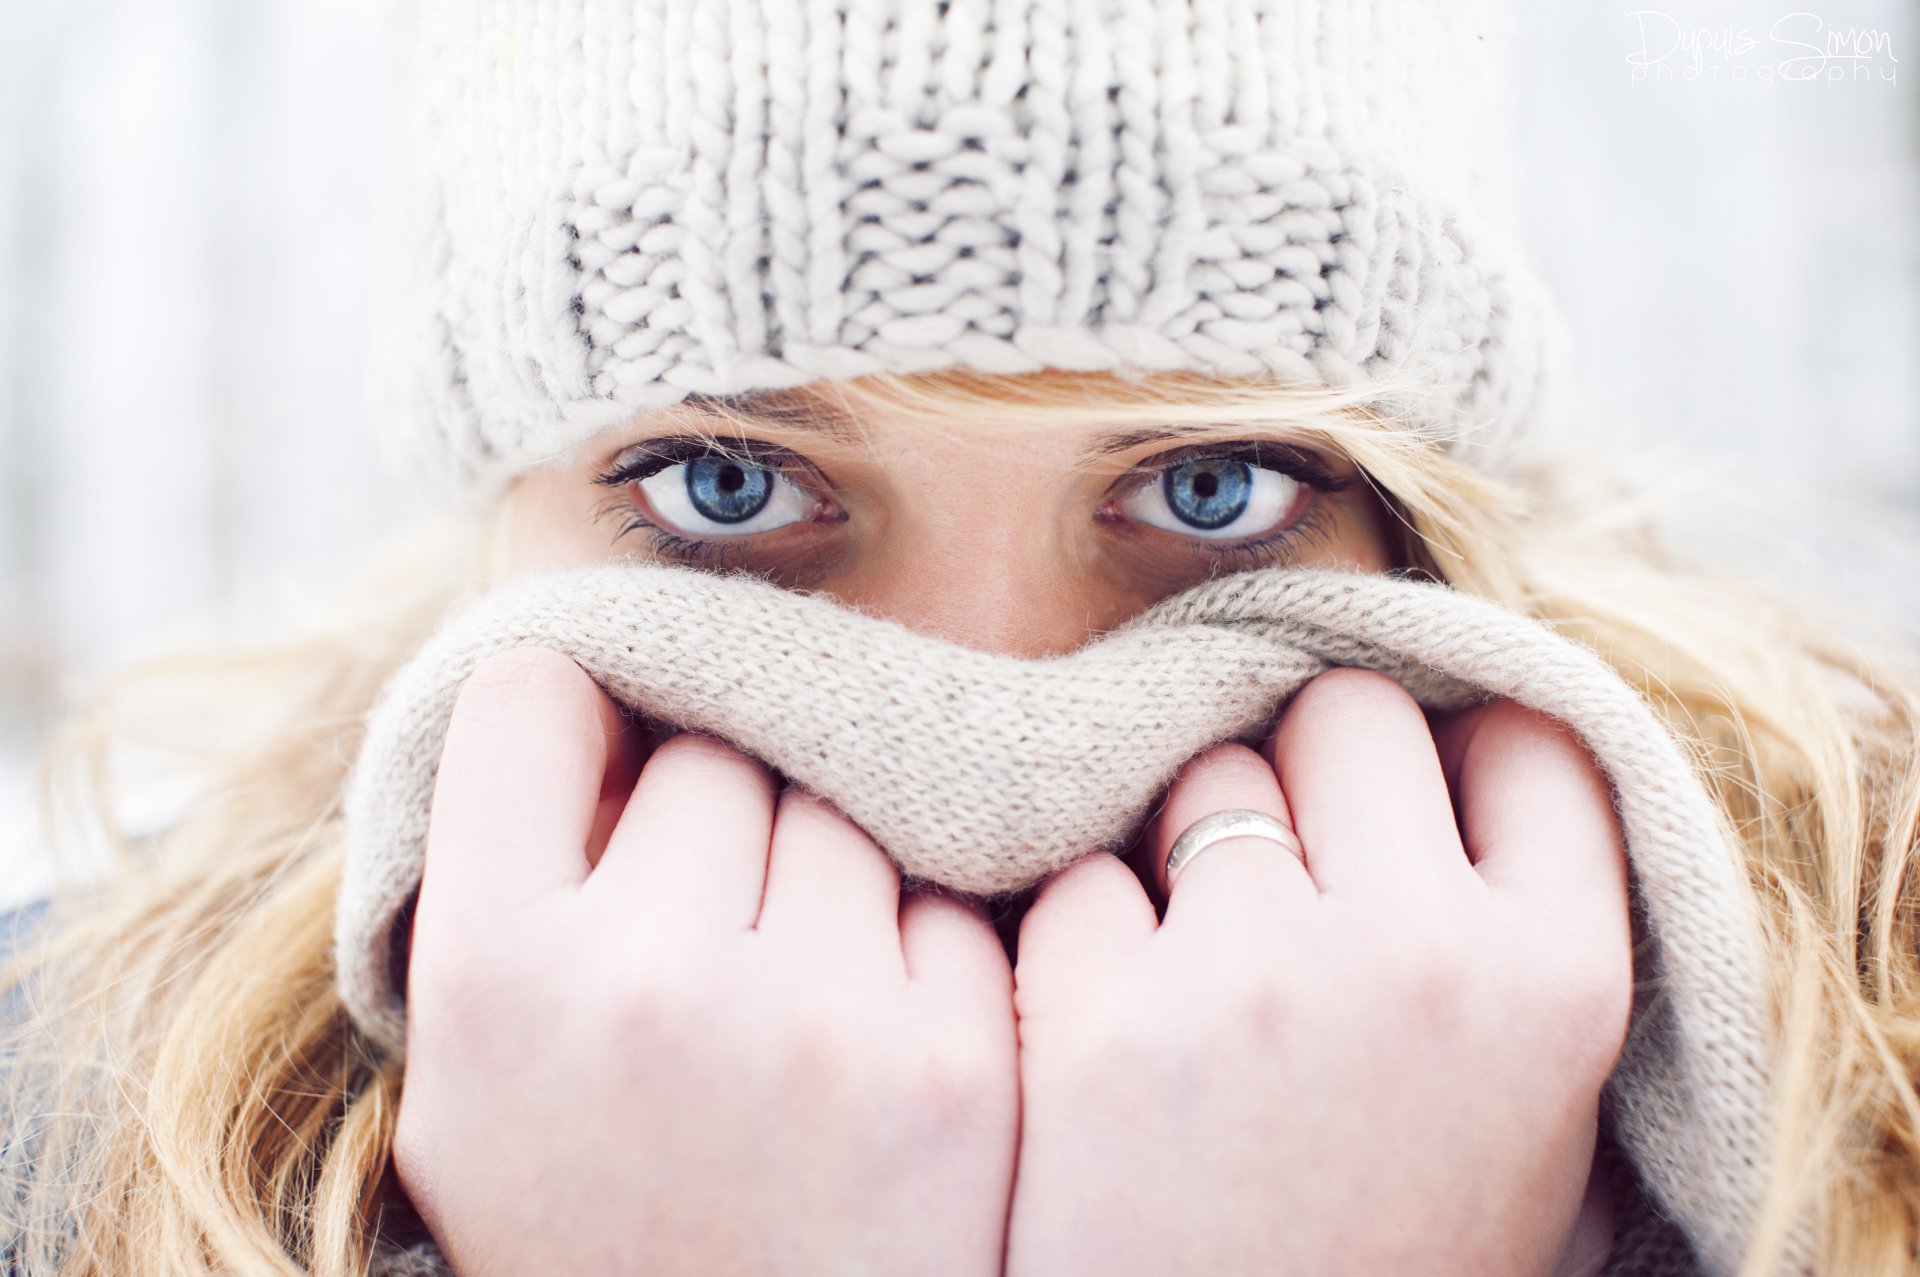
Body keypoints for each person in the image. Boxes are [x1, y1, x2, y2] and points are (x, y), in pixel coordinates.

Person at [4, 3, 1917, 1275]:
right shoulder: (50, 1125)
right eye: (735, 488)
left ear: (1435, 516)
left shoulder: (1878, 1076)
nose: (991, 736)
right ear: (505, 513)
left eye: (1211, 490)